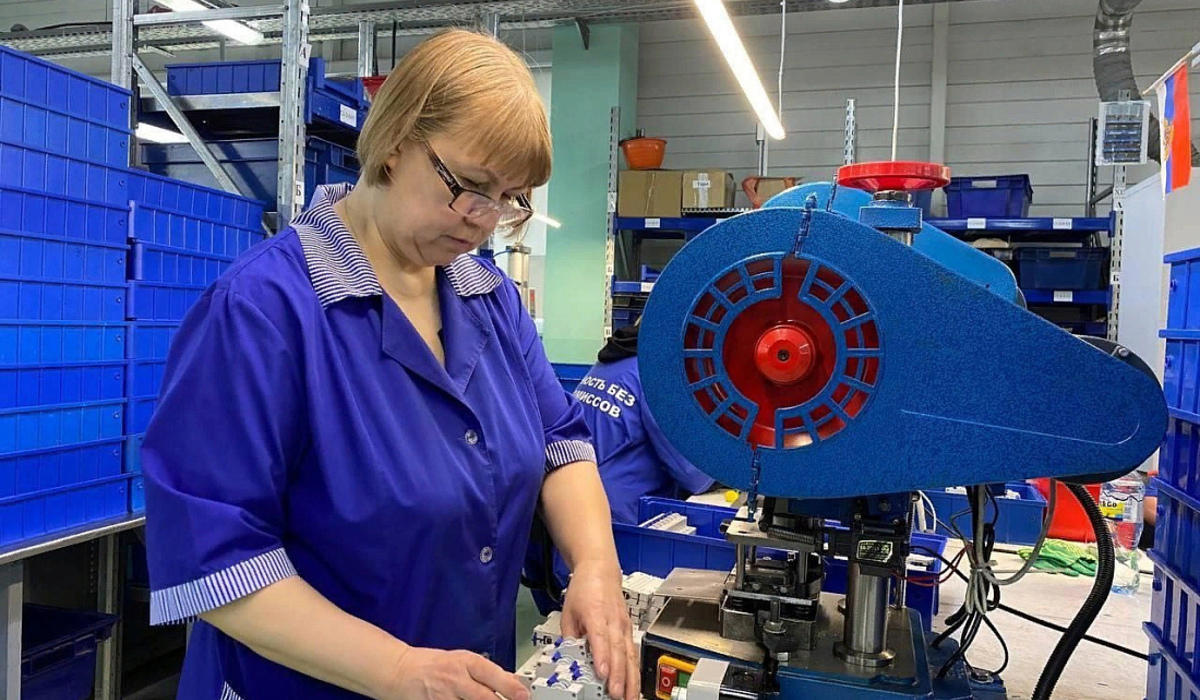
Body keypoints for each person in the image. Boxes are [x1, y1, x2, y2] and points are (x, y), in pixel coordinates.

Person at [141, 30, 638, 700]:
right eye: (471, 187)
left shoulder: (489, 300)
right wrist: (399, 670)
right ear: (397, 140)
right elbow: (218, 561)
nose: (484, 220)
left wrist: (596, 567)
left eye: (510, 198)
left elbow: (562, 445)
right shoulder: (262, 311)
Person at [526, 321, 715, 613]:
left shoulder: (613, 362)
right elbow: (694, 474)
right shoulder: (656, 377)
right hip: (615, 538)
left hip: (564, 534)